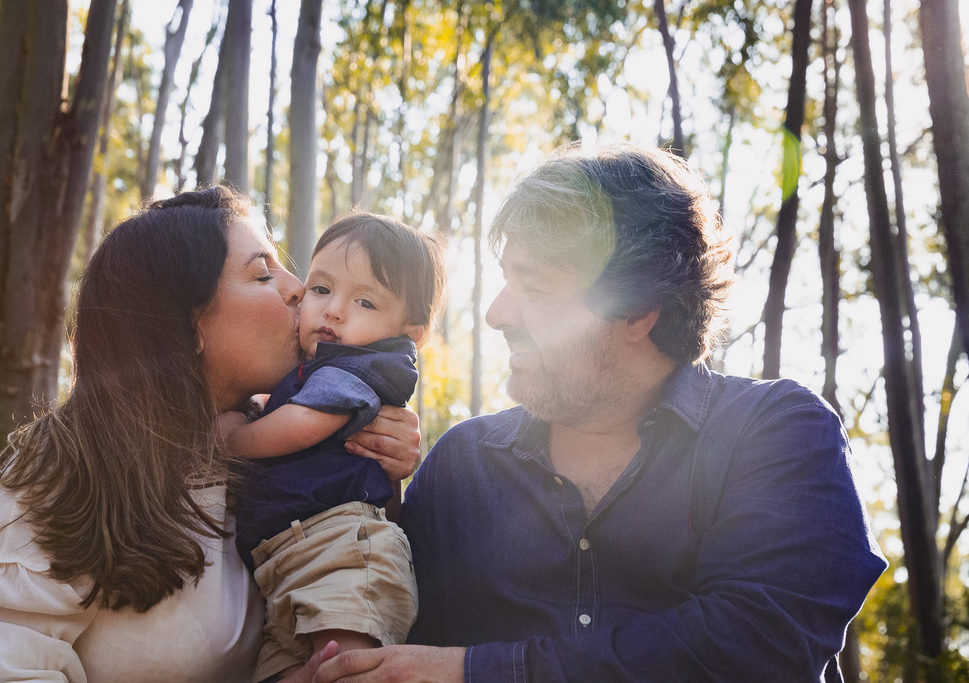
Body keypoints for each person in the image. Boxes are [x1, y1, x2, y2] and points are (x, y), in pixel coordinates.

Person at [314, 142, 887, 683]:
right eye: (507, 280)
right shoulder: (461, 465)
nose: (497, 314)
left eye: (534, 287)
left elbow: (759, 648)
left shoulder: (776, 432)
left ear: (637, 310)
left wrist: (474, 672)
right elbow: (389, 636)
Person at [0, 187, 421, 683]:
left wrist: (381, 466)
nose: (299, 289)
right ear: (187, 324)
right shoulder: (63, 470)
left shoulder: (273, 445)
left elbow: (356, 580)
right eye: (263, 274)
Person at [219, 212, 447, 682]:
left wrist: (233, 439)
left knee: (346, 666)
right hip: (290, 562)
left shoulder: (357, 367)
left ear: (406, 336)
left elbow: (303, 424)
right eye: (321, 289)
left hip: (344, 550)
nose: (334, 310)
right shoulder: (312, 369)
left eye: (365, 301)